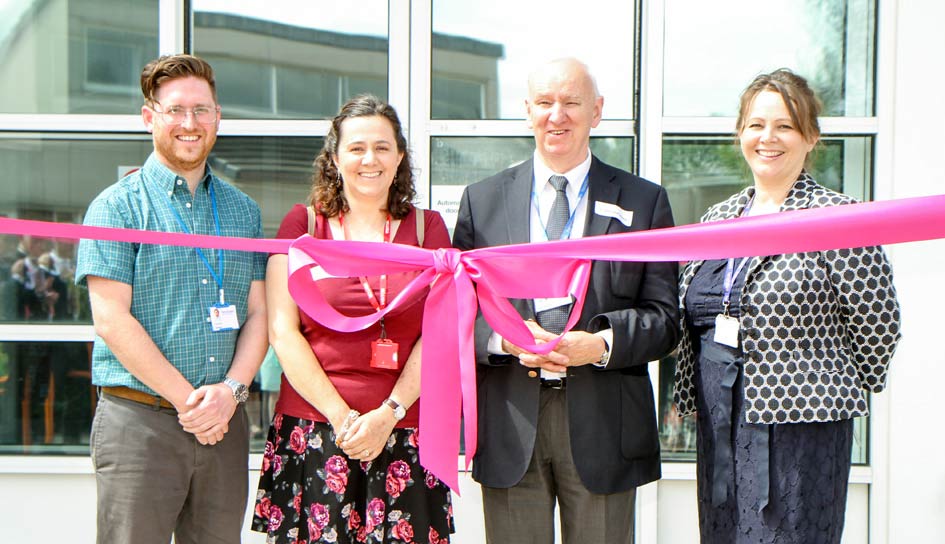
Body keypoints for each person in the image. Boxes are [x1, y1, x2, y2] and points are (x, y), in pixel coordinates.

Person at [453, 58, 680, 544]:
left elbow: (665, 319)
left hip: (604, 424)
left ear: (596, 112)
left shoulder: (644, 202)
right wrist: (507, 342)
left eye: (572, 102)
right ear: (527, 111)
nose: (557, 115)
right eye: (545, 103)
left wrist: (598, 345)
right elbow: (456, 314)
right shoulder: (482, 202)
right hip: (511, 420)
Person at [672, 68, 901, 544]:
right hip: (722, 423)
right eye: (756, 125)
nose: (767, 138)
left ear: (810, 137)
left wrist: (823, 385)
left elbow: (879, 326)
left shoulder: (840, 219)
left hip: (801, 428)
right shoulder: (717, 219)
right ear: (740, 134)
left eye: (785, 126)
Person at [75, 54, 268, 543]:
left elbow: (259, 313)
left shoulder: (242, 211)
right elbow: (111, 321)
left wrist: (231, 393)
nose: (190, 123)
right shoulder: (116, 206)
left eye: (202, 110)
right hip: (140, 425)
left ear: (218, 117)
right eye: (176, 110)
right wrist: (191, 404)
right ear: (149, 118)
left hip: (224, 424)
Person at [252, 94, 455, 544]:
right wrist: (342, 418)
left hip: (406, 430)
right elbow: (283, 332)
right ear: (335, 156)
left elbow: (442, 334)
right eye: (357, 147)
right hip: (316, 430)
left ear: (400, 156)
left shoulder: (429, 230)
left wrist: (387, 414)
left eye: (383, 147)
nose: (370, 159)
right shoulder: (302, 225)